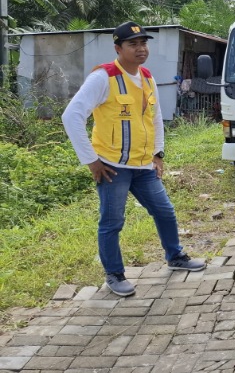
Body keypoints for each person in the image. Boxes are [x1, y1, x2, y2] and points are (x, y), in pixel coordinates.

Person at [61, 21, 206, 298]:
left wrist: (158, 154)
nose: (141, 49)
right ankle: (114, 274)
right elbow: (72, 116)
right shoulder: (104, 77)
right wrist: (91, 160)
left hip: (143, 166)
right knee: (112, 222)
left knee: (165, 212)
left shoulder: (147, 76)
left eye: (144, 43)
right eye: (133, 44)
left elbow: (155, 118)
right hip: (112, 167)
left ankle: (175, 256)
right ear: (118, 48)